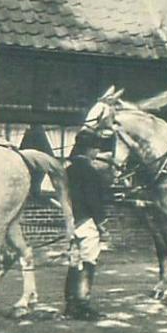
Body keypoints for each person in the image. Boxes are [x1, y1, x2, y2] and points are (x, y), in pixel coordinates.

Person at [63, 129, 114, 321]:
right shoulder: (90, 171)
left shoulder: (68, 170)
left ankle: (70, 305)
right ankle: (82, 306)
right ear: (90, 149)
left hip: (72, 221)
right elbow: (94, 201)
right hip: (87, 221)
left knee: (74, 263)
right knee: (88, 263)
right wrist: (102, 225)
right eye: (96, 148)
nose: (97, 152)